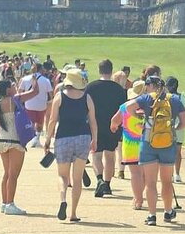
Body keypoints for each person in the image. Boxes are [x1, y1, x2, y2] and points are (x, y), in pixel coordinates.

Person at [125, 76, 185, 226]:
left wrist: (141, 118)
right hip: (167, 143)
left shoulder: (146, 99)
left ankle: (152, 215)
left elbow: (129, 108)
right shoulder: (174, 99)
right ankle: (167, 211)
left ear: (151, 85)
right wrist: (174, 129)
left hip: (148, 143)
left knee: (151, 182)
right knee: (166, 181)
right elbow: (184, 122)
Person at [44, 69, 98, 222]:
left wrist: (48, 140)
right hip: (83, 137)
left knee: (62, 175)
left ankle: (63, 200)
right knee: (78, 177)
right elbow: (93, 121)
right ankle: (73, 213)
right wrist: (95, 139)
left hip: (63, 137)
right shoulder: (87, 98)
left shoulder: (59, 97)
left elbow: (52, 120)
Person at [0, 79, 40, 215]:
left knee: (6, 174)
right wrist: (34, 79)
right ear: (8, 89)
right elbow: (35, 92)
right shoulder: (15, 100)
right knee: (13, 175)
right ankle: (10, 203)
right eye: (13, 86)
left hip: (2, 139)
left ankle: (4, 202)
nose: (15, 87)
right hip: (15, 140)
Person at [86, 59, 127, 197]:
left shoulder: (91, 87)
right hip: (113, 126)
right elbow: (123, 109)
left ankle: (99, 179)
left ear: (99, 70)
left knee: (96, 155)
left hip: (95, 126)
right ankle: (108, 184)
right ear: (111, 70)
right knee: (110, 156)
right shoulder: (119, 89)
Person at [110, 79, 146, 209]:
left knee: (135, 173)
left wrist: (114, 127)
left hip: (131, 144)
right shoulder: (150, 106)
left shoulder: (125, 106)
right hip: (147, 143)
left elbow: (115, 120)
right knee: (145, 174)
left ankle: (138, 199)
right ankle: (139, 196)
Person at [17, 63, 53, 147]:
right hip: (42, 105)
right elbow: (51, 94)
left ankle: (30, 138)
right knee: (40, 122)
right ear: (41, 69)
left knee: (31, 122)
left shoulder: (24, 79)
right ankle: (36, 138)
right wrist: (49, 102)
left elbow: (19, 91)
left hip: (29, 104)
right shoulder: (46, 80)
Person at [166, 76, 185, 183]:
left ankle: (171, 173)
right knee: (177, 151)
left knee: (168, 150)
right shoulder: (181, 97)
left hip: (168, 125)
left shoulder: (166, 97)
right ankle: (177, 174)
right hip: (179, 126)